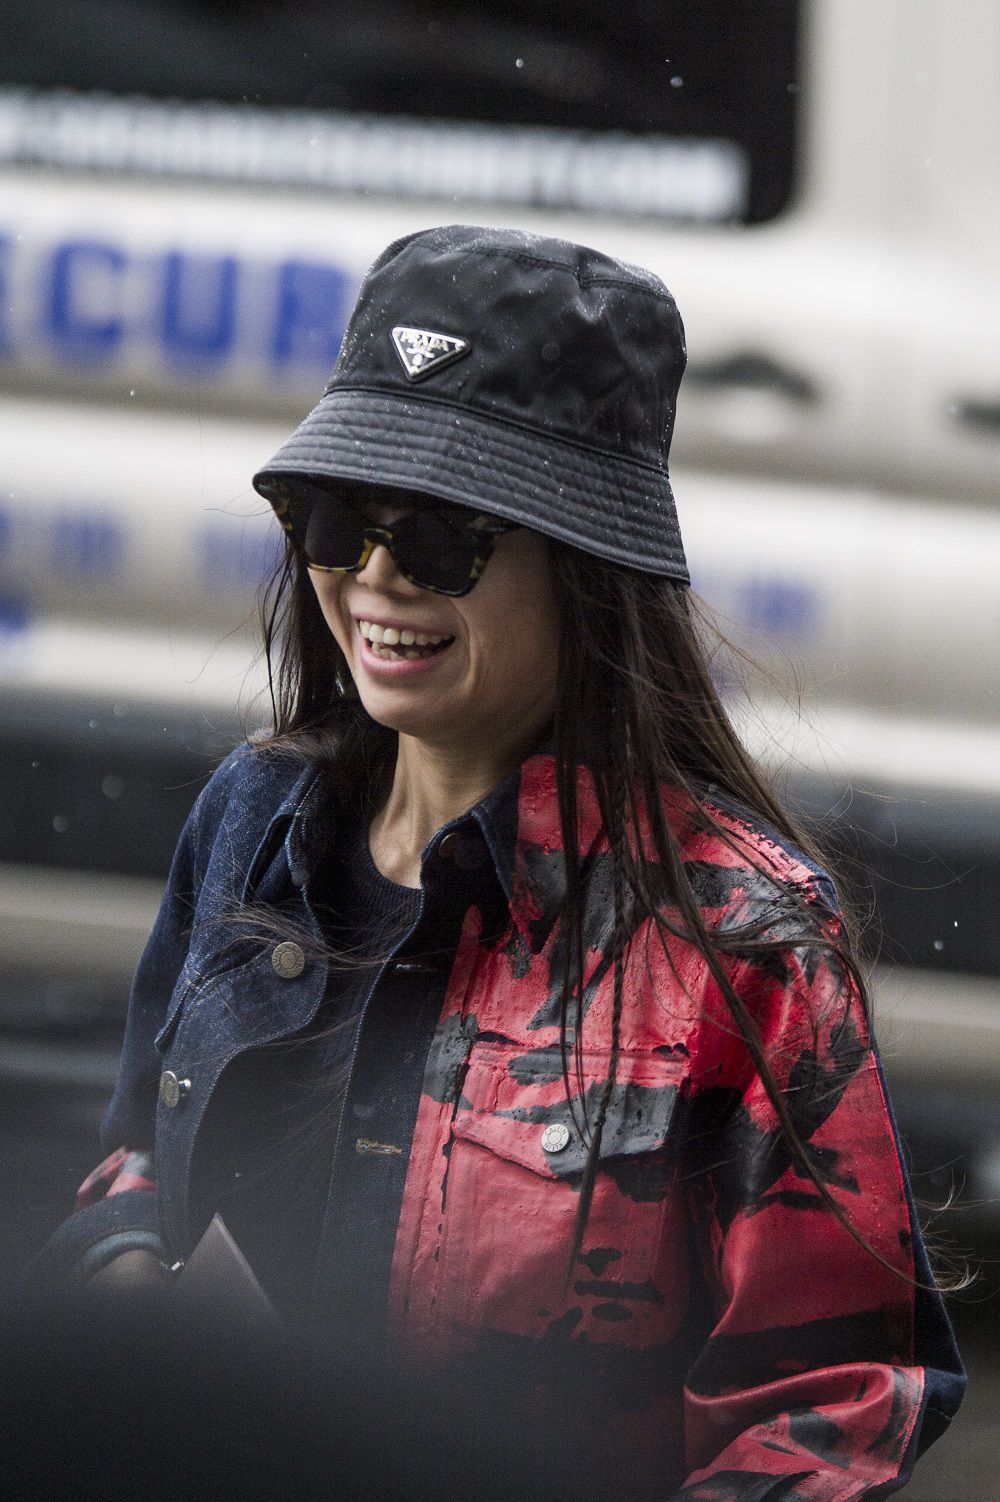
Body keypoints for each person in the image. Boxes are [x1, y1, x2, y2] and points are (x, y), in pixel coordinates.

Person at [33, 225, 963, 1497]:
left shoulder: (748, 942)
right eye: (335, 518)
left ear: (587, 565)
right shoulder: (250, 813)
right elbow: (135, 1151)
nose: (373, 577)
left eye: (440, 538)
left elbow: (834, 1409)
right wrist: (129, 1272)